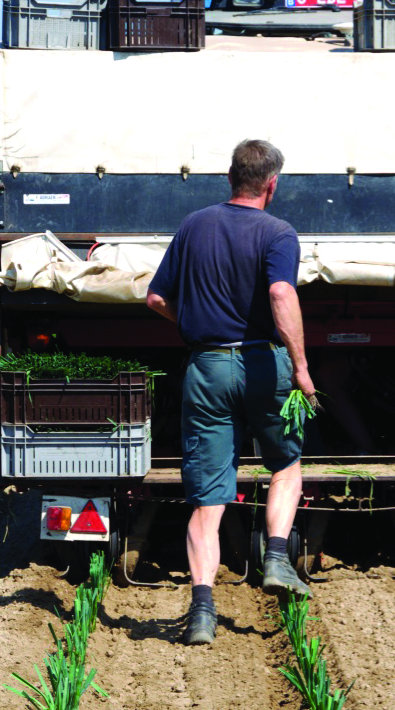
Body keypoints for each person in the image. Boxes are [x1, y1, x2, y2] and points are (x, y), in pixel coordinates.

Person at [146, 139, 316, 646]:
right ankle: (278, 559)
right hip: (265, 364)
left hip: (208, 366)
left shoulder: (194, 226)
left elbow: (156, 296)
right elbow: (281, 293)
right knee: (285, 465)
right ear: (272, 184)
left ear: (229, 179)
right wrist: (302, 367)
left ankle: (202, 612)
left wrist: (196, 324)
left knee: (208, 497)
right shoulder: (279, 232)